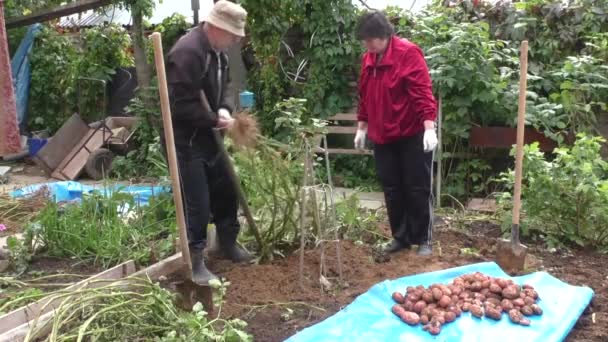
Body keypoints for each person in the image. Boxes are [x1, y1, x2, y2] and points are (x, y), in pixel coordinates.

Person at [165, 0, 252, 284]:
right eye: (233, 34)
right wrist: (214, 119)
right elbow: (180, 105)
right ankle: (196, 260)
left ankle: (227, 243)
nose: (235, 40)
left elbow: (225, 86)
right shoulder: (187, 53)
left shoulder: (218, 52)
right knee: (197, 201)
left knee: (226, 187)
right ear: (216, 27)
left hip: (212, 135)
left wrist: (224, 109)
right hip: (187, 140)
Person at [354, 11, 438, 256]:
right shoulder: (369, 59)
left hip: (411, 132)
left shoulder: (408, 53)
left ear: (384, 35)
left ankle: (423, 238)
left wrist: (429, 127)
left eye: (371, 40)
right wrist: (362, 126)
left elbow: (422, 91)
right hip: (383, 135)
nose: (367, 45)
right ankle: (400, 238)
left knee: (417, 186)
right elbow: (364, 95)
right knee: (392, 187)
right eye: (365, 41)